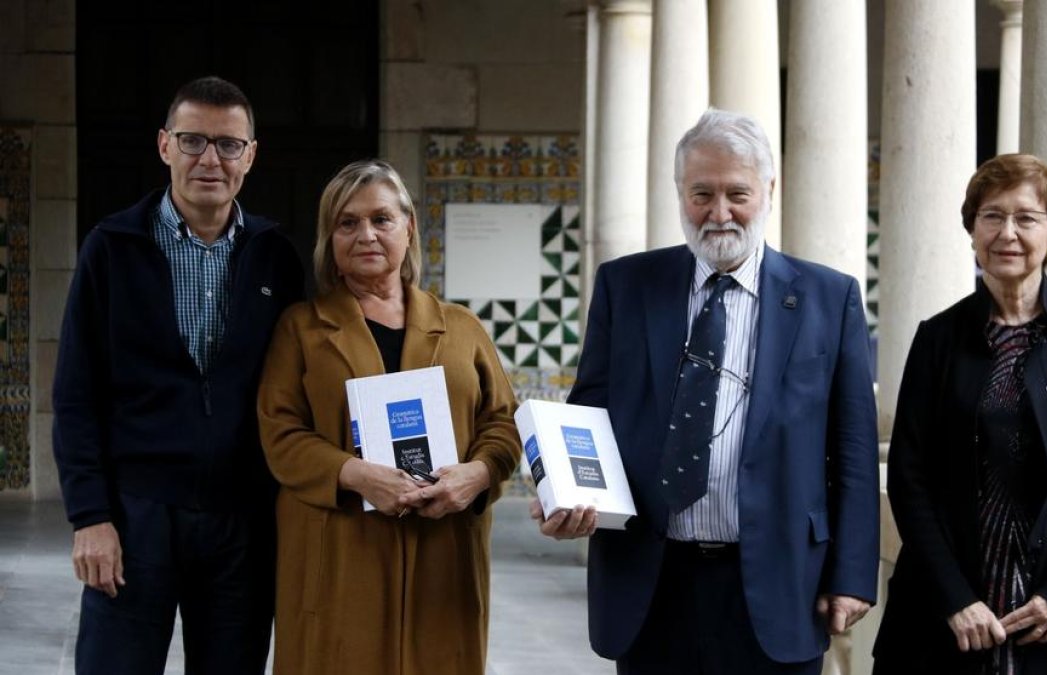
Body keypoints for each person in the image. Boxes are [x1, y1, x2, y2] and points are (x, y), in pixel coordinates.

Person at [533, 109, 880, 674]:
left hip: (778, 584)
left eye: (737, 194)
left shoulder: (828, 297)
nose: (719, 214)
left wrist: (853, 575)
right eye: (702, 194)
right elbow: (588, 414)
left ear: (768, 191)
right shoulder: (626, 285)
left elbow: (855, 451)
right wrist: (562, 493)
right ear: (680, 194)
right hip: (651, 581)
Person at [52, 76, 305, 674]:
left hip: (241, 522)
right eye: (193, 140)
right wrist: (90, 517)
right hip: (135, 516)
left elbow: (300, 391)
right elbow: (76, 395)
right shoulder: (111, 248)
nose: (210, 159)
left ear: (251, 155)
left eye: (228, 144)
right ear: (165, 145)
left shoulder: (276, 257)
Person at [257, 159, 522, 675]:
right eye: (347, 222)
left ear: (409, 227)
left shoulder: (462, 328)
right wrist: (355, 475)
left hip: (443, 549)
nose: (367, 235)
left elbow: (503, 423)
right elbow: (279, 432)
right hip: (340, 550)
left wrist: (478, 474)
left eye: (381, 219)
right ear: (329, 238)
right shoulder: (301, 328)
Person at [873, 154, 1047, 674]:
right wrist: (954, 599)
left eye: (1026, 218)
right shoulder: (936, 338)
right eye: (991, 216)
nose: (1006, 233)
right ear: (973, 231)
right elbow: (908, 477)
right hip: (944, 617)